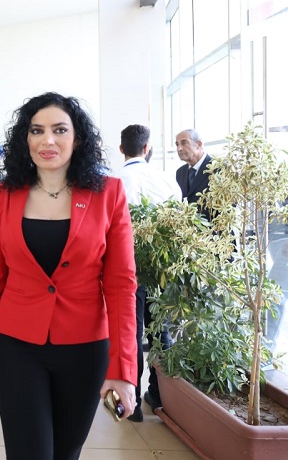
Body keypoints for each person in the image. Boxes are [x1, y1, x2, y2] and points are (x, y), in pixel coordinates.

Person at [0, 92, 138, 459]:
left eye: (60, 130)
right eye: (37, 130)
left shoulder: (109, 194)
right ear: (25, 139)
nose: (48, 140)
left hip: (85, 347)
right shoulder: (3, 195)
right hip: (17, 346)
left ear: (77, 139)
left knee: (66, 452)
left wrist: (124, 369)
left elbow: (121, 286)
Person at [117, 124, 181, 421]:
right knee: (160, 331)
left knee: (131, 331)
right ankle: (159, 394)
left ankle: (131, 402)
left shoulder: (116, 182)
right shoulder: (167, 180)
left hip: (127, 267)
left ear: (121, 149)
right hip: (162, 267)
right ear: (147, 148)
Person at [175, 129, 213, 218]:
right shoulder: (180, 172)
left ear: (198, 144)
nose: (179, 148)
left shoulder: (217, 168)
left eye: (184, 143)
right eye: (177, 144)